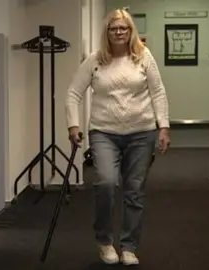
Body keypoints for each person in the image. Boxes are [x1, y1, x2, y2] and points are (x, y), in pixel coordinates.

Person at [64, 8, 170, 266]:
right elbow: (73, 94)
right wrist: (73, 126)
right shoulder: (95, 60)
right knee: (106, 184)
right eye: (114, 29)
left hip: (141, 133)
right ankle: (104, 241)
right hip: (103, 132)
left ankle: (129, 247)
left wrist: (163, 127)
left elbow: (158, 92)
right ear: (107, 32)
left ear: (131, 31)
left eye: (123, 28)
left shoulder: (143, 57)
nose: (119, 32)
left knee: (134, 191)